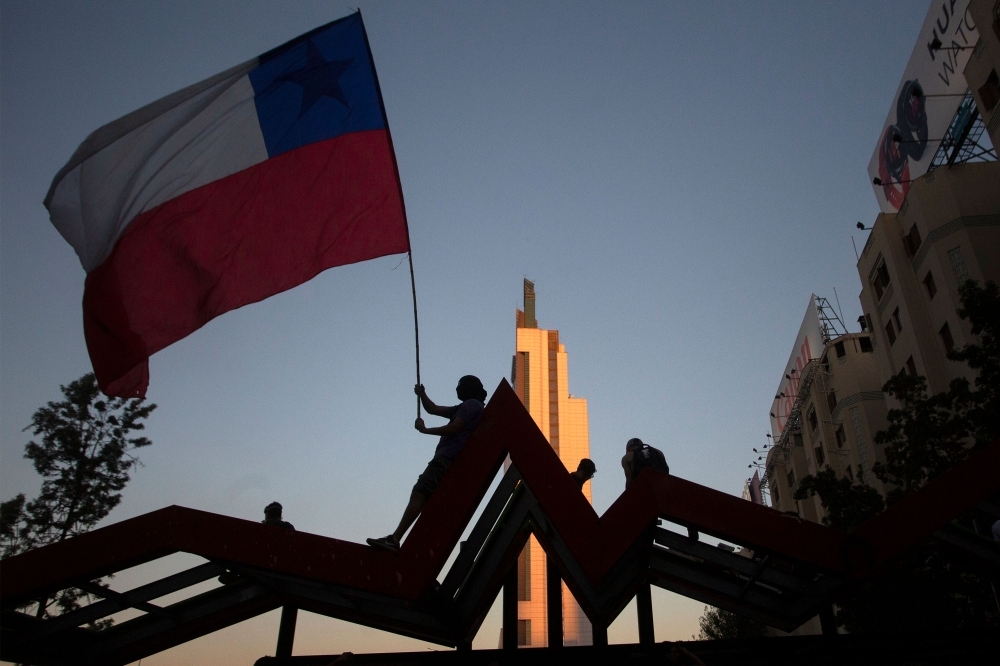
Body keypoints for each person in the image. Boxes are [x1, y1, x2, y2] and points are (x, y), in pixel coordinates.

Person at [367, 376, 487, 553]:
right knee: (430, 504)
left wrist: (425, 430)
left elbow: (454, 429)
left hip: (445, 459)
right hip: (450, 461)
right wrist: (422, 394)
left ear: (468, 388)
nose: (456, 389)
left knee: (420, 492)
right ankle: (418, 549)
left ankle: (395, 538)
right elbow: (433, 409)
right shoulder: (468, 407)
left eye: (459, 385)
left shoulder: (470, 405)